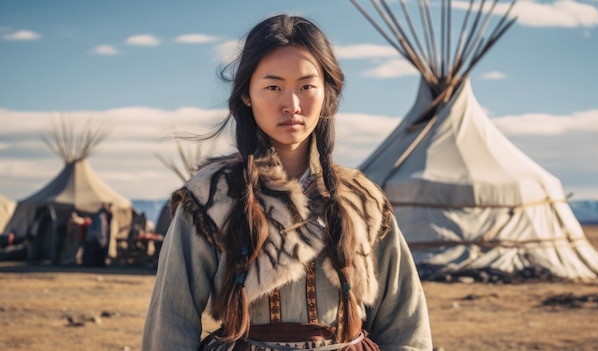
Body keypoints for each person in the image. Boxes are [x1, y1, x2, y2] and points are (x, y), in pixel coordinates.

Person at [141, 14, 432, 351]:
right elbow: (170, 323)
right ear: (247, 94)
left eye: (307, 86)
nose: (291, 105)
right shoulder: (211, 198)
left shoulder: (362, 200)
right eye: (273, 86)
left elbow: (405, 324)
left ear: (328, 93)